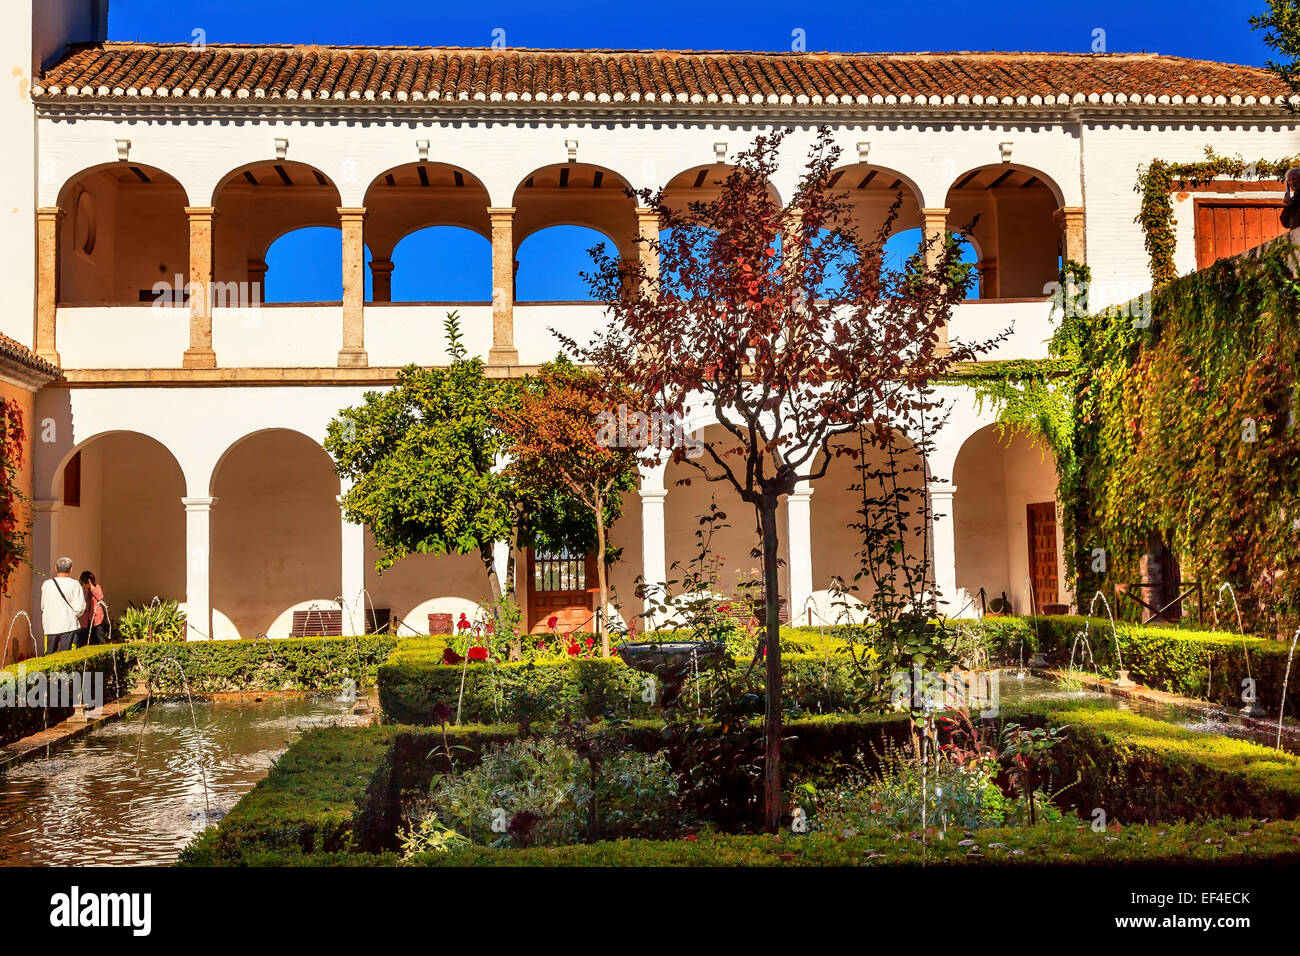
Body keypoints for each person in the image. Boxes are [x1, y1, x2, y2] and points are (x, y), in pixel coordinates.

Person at [40, 556, 86, 654]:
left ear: (55, 568)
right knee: (68, 657)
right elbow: (80, 608)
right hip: (69, 625)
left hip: (50, 626)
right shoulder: (75, 584)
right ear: (71, 570)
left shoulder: (47, 584)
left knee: (49, 656)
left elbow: (43, 606)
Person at [77, 570, 107, 647]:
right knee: (81, 642)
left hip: (96, 620)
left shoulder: (97, 587)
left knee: (98, 641)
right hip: (84, 621)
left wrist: (91, 587)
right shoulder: (80, 590)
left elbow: (100, 597)